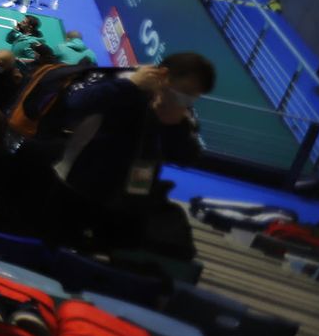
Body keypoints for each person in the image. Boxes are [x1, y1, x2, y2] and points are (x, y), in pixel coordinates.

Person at [47, 54, 215, 224]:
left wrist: (174, 127)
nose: (185, 100)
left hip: (127, 204)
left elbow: (187, 157)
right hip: (74, 184)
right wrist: (131, 86)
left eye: (191, 97)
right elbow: (74, 103)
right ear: (163, 75)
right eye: (184, 92)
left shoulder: (183, 113)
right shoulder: (123, 80)